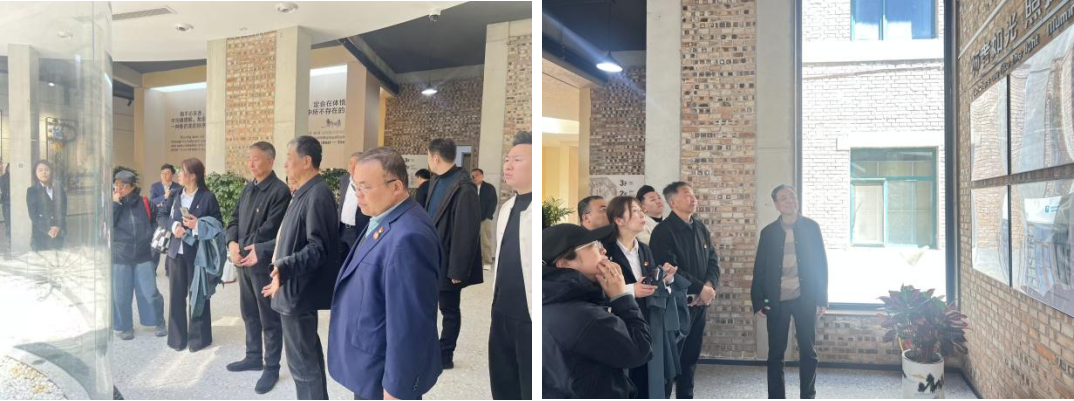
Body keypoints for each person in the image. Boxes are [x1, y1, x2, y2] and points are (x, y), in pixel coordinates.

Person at [328, 146, 443, 400]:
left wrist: (396, 387)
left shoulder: (409, 236)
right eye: (356, 186)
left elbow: (411, 323)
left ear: (396, 187)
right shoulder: (384, 215)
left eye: (365, 187)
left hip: (384, 375)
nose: (357, 194)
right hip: (370, 361)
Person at [260, 136, 340, 400]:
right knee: (306, 360)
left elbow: (318, 248)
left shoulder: (317, 194)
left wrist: (284, 267)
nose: (285, 164)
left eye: (289, 158)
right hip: (291, 288)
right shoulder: (304, 191)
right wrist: (280, 270)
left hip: (299, 293)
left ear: (306, 161)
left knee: (303, 366)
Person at [541, 223, 652, 398]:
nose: (603, 250)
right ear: (564, 264)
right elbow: (641, 350)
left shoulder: (551, 297)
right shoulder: (583, 316)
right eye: (592, 245)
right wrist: (622, 297)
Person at [603, 196, 688, 399]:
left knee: (645, 378)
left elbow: (649, 284)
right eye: (635, 211)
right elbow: (598, 290)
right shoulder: (606, 251)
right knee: (623, 381)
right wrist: (632, 290)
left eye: (642, 210)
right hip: (617, 325)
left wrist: (664, 278)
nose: (642, 214)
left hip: (644, 322)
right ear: (619, 220)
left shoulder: (644, 249)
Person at [224, 142, 292, 394]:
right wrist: (231, 243)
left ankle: (271, 367)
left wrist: (240, 248)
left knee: (269, 317)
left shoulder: (279, 191)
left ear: (270, 161)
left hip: (263, 264)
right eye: (249, 159)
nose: (251, 163)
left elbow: (270, 230)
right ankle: (253, 356)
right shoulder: (248, 188)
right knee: (249, 312)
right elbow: (233, 219)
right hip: (243, 261)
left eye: (256, 158)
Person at [752, 185, 828, 400]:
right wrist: (759, 300)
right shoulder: (768, 232)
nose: (789, 200)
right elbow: (760, 268)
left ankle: (808, 395)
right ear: (776, 205)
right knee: (776, 354)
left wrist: (822, 298)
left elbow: (821, 264)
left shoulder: (812, 227)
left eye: (792, 196)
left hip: (805, 299)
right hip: (777, 301)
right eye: (783, 198)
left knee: (808, 352)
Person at [648, 181, 720, 399]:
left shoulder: (700, 228)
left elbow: (713, 261)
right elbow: (669, 268)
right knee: (671, 363)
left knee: (690, 361)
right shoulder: (663, 232)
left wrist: (708, 287)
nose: (693, 198)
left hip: (699, 305)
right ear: (672, 202)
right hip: (676, 306)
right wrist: (700, 288)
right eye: (687, 194)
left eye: (693, 194)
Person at [424, 138, 483, 370]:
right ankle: (430, 349)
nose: (429, 161)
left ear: (436, 157)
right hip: (431, 257)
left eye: (429, 157)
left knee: (448, 309)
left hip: (448, 260)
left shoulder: (464, 186)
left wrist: (458, 269)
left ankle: (445, 354)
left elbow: (467, 231)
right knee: (428, 306)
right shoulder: (436, 181)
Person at [159, 158, 222, 353]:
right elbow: (161, 216)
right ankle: (177, 339)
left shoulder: (207, 197)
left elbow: (218, 224)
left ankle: (199, 339)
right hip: (175, 254)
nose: (178, 175)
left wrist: (198, 226)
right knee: (176, 297)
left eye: (182, 172)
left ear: (193, 176)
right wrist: (174, 226)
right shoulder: (175, 194)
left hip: (197, 255)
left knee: (198, 295)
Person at [489, 131, 534, 400]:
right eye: (507, 159)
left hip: (529, 316)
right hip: (501, 311)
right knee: (503, 384)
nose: (508, 165)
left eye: (517, 160)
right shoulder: (507, 207)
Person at [111, 170, 166, 341]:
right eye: (116, 185)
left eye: (123, 185)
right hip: (120, 255)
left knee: (150, 291)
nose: (119, 188)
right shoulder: (112, 204)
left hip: (143, 254)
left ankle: (158, 321)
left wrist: (150, 239)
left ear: (132, 186)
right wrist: (115, 204)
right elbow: (106, 226)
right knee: (121, 294)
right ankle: (125, 326)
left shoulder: (145, 202)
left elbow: (157, 221)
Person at [336, 151, 371, 263]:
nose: (352, 166)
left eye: (355, 164)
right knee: (339, 260)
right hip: (341, 228)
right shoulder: (344, 179)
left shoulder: (367, 182)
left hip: (357, 229)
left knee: (355, 260)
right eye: (350, 163)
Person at [27, 160, 67, 251]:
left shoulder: (59, 188)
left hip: (58, 233)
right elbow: (33, 215)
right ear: (35, 173)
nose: (44, 172)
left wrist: (57, 226)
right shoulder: (32, 191)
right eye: (40, 170)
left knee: (58, 257)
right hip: (41, 235)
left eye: (46, 170)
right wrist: (48, 230)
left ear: (51, 172)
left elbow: (63, 210)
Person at [473, 168, 498, 268]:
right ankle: (473, 262)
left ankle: (487, 262)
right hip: (472, 219)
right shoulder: (470, 187)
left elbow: (493, 202)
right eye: (473, 175)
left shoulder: (489, 188)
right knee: (471, 240)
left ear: (482, 176)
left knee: (485, 240)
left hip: (485, 219)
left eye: (477, 175)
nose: (474, 177)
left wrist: (488, 215)